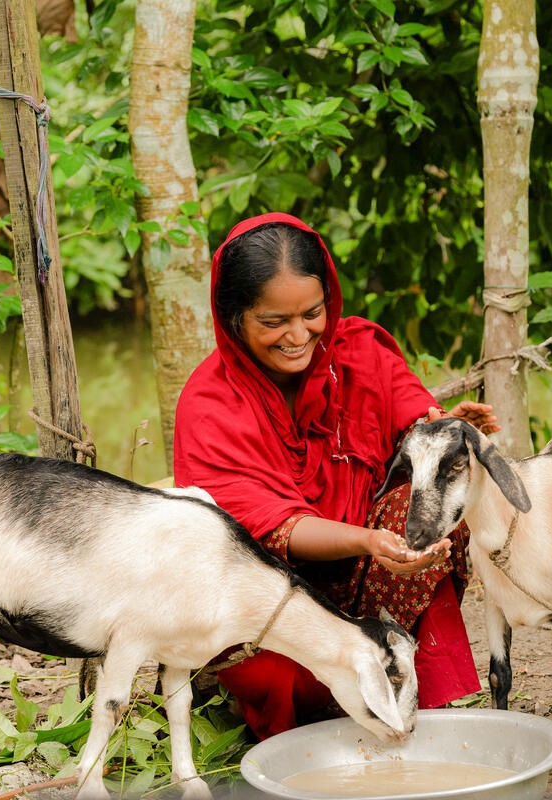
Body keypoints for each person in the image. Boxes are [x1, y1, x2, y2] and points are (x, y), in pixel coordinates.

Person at [172, 212, 501, 740]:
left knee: (432, 504)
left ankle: (396, 667)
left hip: (369, 580)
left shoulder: (361, 355)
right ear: (233, 318)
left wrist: (446, 431)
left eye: (312, 313)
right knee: (273, 671)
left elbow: (416, 420)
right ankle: (318, 699)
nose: (298, 335)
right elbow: (270, 529)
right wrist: (367, 540)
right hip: (269, 598)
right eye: (273, 322)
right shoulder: (210, 405)